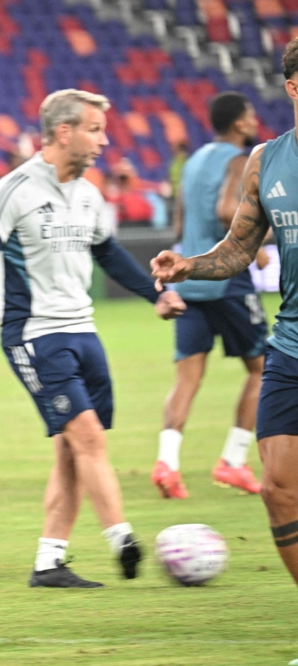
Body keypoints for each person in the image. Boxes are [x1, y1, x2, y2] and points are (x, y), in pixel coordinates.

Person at [0, 89, 186, 588]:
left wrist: (155, 295)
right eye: (94, 130)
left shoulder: (89, 193)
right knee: (87, 437)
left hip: (84, 329)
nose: (103, 140)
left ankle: (48, 562)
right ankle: (121, 536)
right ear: (64, 132)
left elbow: (109, 254)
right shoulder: (14, 189)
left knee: (71, 448)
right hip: (34, 335)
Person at [151, 38, 298, 587]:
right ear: (292, 87)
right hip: (291, 345)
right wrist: (186, 265)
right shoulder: (266, 160)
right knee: (279, 490)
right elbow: (239, 248)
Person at [152, 92, 267, 500]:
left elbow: (180, 220)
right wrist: (265, 238)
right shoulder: (240, 158)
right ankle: (234, 462)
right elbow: (226, 212)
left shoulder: (195, 161)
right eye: (250, 114)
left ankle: (167, 463)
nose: (254, 120)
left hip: (189, 277)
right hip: (224, 278)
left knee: (187, 376)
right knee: (263, 368)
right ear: (239, 122)